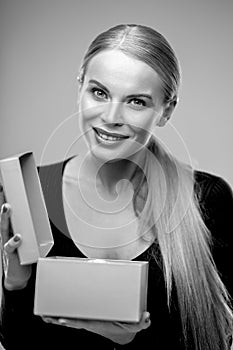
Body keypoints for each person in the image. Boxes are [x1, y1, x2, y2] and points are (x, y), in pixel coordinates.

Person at [0, 24, 232, 350]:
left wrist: (130, 340)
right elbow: (17, 342)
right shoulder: (30, 191)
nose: (111, 116)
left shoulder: (206, 200)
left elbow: (215, 339)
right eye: (99, 92)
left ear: (166, 110)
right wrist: (14, 285)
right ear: (79, 87)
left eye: (136, 101)